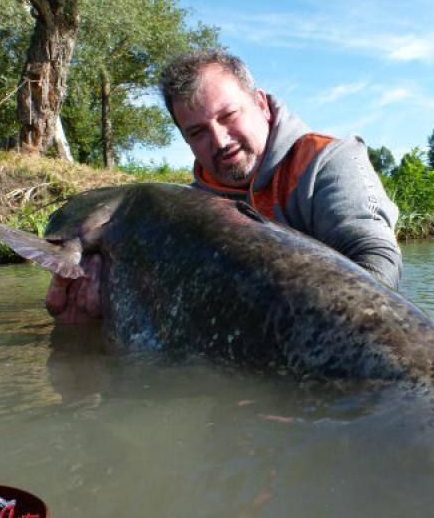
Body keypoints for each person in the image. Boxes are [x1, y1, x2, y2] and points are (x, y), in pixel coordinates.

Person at [46, 49, 401, 323]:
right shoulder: (189, 207)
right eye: (198, 132)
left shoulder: (330, 160)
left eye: (228, 116)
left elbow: (376, 259)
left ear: (260, 104)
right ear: (185, 140)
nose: (220, 141)